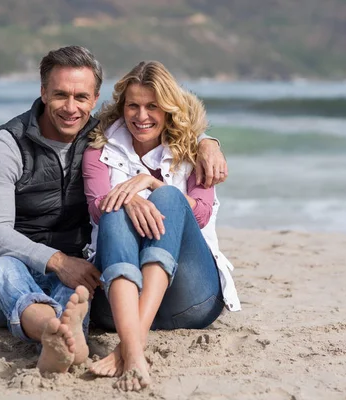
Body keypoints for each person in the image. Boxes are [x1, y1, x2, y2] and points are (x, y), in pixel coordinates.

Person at [0, 46, 228, 374]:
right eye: (60, 94)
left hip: (81, 271)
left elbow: (162, 124)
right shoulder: (7, 146)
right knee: (3, 270)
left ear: (95, 99)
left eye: (81, 97)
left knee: (80, 288)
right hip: (22, 266)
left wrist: (207, 143)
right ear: (43, 92)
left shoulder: (99, 137)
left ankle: (63, 337)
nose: (71, 107)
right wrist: (59, 262)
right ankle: (52, 333)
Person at [82, 61, 241, 391]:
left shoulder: (195, 150)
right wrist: (128, 198)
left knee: (169, 197)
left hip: (191, 300)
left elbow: (200, 214)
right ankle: (135, 350)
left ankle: (129, 346)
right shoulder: (99, 149)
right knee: (113, 207)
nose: (142, 116)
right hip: (114, 308)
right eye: (133, 105)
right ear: (122, 107)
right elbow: (98, 209)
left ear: (168, 109)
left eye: (152, 106)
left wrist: (150, 186)